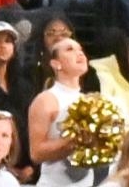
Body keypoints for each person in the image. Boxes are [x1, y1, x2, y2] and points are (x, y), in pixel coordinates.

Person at [28, 37, 91, 187]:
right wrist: (75, 141)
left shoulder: (89, 100)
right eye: (70, 50)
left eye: (80, 50)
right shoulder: (46, 100)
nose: (80, 54)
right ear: (56, 64)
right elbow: (36, 153)